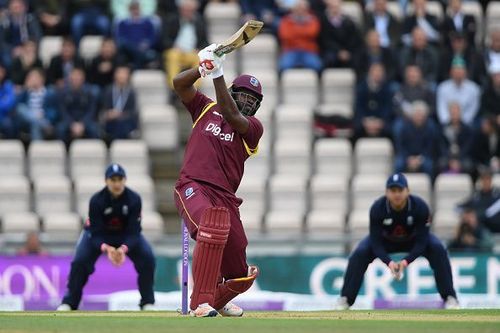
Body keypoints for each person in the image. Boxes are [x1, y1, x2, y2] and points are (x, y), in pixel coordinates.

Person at [172, 44, 262, 317]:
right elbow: (179, 84)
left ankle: (218, 299)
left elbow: (233, 114)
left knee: (240, 274)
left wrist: (217, 73)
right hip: (193, 186)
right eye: (243, 95)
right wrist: (203, 68)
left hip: (226, 199)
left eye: (253, 100)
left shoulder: (253, 129)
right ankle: (200, 302)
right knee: (211, 225)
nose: (247, 102)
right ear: (233, 92)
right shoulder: (205, 108)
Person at [336, 173, 459, 310]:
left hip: (414, 240)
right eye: (393, 191)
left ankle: (450, 297)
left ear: (408, 191)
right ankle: (346, 299)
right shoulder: (378, 208)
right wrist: (389, 262)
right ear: (386, 193)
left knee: (438, 248)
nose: (397, 195)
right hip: (385, 241)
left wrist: (406, 261)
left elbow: (422, 242)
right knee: (360, 253)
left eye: (400, 190)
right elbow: (375, 243)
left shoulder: (420, 207)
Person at [57, 164, 156, 311]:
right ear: (106, 181)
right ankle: (70, 302)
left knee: (148, 259)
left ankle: (147, 302)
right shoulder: (96, 201)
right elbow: (95, 233)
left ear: (125, 180)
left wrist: (123, 249)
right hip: (99, 236)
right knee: (80, 262)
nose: (116, 183)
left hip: (125, 236)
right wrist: (107, 248)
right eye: (113, 180)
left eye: (120, 179)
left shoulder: (134, 199)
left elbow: (134, 232)